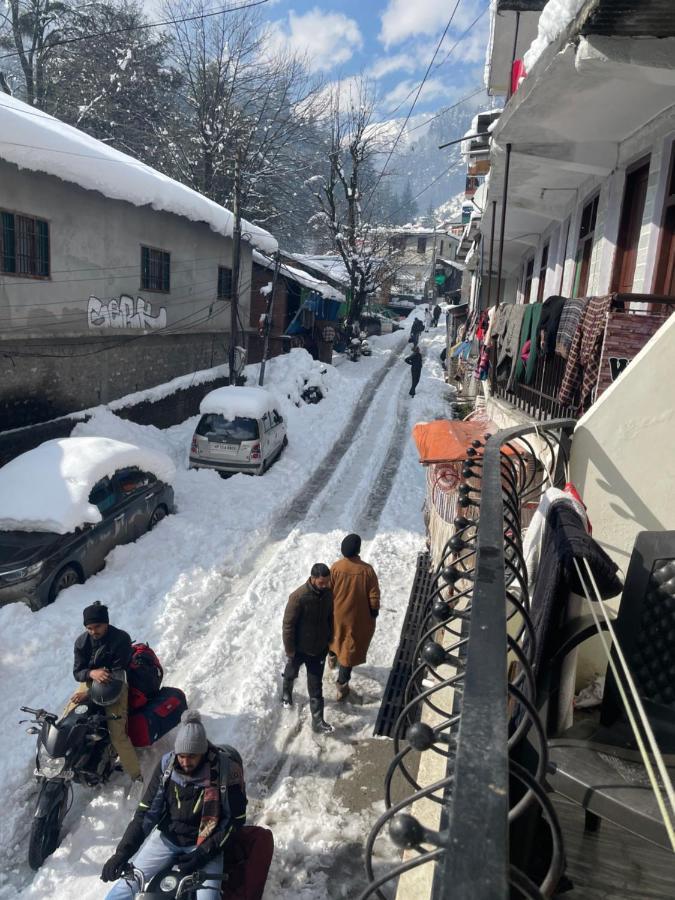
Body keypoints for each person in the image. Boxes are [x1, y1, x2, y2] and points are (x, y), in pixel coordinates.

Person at [101, 710, 247, 899]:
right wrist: (122, 853)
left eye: (192, 756)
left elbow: (234, 821)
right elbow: (145, 814)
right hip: (167, 839)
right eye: (181, 756)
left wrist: (203, 853)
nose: (185, 762)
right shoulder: (167, 767)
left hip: (204, 843)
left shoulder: (225, 772)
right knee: (123, 890)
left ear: (203, 752)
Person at [63, 601, 140, 780]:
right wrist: (92, 673)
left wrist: (88, 696)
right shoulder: (82, 642)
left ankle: (137, 776)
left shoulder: (121, 639)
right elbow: (77, 672)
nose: (93, 631)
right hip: (91, 681)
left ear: (106, 622)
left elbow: (118, 674)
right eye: (89, 628)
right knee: (66, 722)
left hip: (115, 683)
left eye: (97, 626)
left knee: (118, 735)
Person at [281, 563, 334, 734]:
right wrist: (290, 650)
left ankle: (317, 721)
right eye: (321, 583)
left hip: (318, 648)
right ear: (312, 579)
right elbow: (288, 625)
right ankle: (286, 692)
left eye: (326, 582)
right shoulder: (298, 597)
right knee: (291, 671)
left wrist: (329, 637)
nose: (324, 585)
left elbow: (330, 616)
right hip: (299, 648)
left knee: (316, 686)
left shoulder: (328, 593)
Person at [327, 534, 380, 701]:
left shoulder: (336, 567)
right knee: (348, 651)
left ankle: (331, 657)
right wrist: (374, 610)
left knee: (334, 638)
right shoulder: (366, 570)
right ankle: (342, 686)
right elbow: (374, 594)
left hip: (336, 615)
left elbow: (329, 589)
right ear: (358, 549)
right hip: (356, 619)